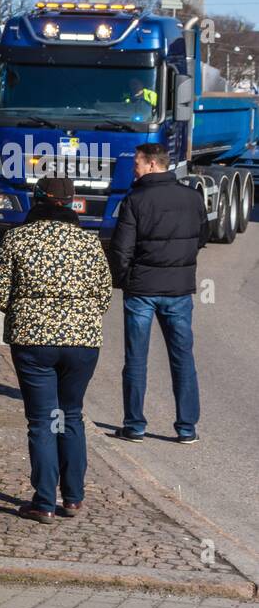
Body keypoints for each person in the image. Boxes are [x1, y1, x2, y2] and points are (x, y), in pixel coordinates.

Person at [0, 174, 112, 523]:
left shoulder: (17, 239)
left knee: (42, 421)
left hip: (33, 342)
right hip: (82, 341)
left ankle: (43, 502)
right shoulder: (89, 243)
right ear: (71, 202)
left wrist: (28, 311)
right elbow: (104, 295)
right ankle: (73, 498)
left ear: (36, 199)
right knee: (71, 415)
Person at [110, 142, 208, 444]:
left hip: (142, 289)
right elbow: (202, 237)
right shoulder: (193, 198)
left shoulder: (134, 201)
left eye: (137, 163)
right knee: (182, 358)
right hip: (179, 290)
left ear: (152, 164)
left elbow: (120, 249)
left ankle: (135, 425)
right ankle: (187, 428)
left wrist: (125, 280)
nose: (134, 168)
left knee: (136, 359)